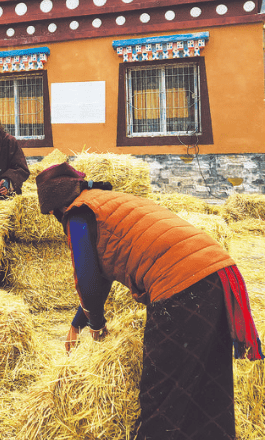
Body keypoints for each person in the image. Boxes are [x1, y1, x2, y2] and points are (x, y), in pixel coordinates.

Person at [35, 162, 263, 440]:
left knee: (161, 396)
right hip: (218, 272)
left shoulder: (77, 215)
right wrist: (78, 323)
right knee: (207, 383)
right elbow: (101, 271)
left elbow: (87, 279)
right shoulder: (107, 202)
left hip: (181, 282)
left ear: (55, 208)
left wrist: (96, 325)